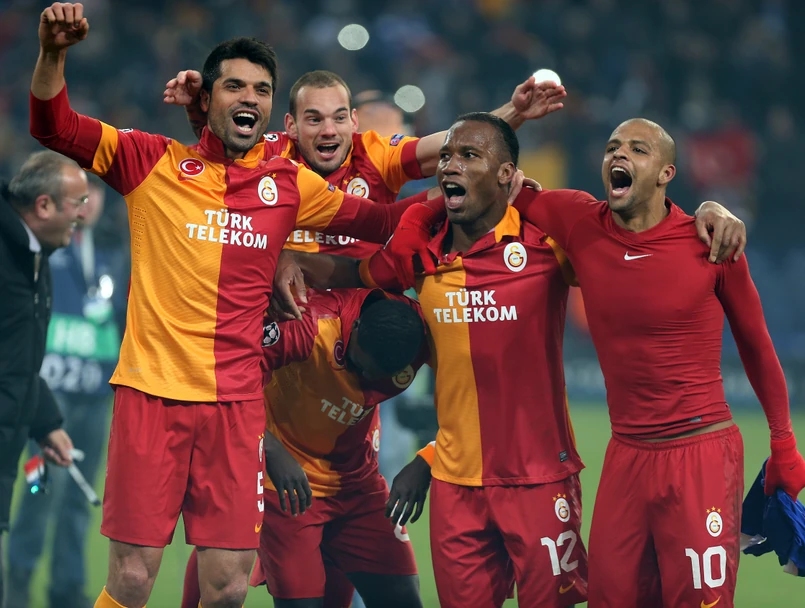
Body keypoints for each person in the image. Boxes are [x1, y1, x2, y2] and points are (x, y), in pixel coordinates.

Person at [30, 5, 437, 608]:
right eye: (235, 86)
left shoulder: (288, 184)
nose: (250, 97)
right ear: (208, 97)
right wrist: (53, 53)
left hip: (237, 409)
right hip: (154, 395)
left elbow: (380, 220)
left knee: (225, 588)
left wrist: (471, 191)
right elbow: (54, 127)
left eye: (262, 90)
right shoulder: (152, 162)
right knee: (134, 580)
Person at [390, 117, 799, 608]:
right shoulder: (578, 220)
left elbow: (756, 346)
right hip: (625, 454)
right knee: (611, 597)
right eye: (612, 147)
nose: (619, 156)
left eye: (638, 149)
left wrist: (784, 445)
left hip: (700, 451)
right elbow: (488, 181)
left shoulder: (710, 243)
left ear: (666, 173)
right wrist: (413, 220)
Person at [296, 112, 589, 608]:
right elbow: (352, 273)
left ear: (506, 174)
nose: (450, 165)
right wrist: (290, 260)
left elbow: (626, 245)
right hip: (455, 489)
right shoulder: (419, 260)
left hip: (541, 479)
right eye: (447, 155)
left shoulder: (545, 246)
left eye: (469, 156)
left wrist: (709, 214)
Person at [181, 289, 429, 608]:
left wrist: (427, 459)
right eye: (357, 365)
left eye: (378, 377)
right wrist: (269, 448)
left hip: (358, 483)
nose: (365, 381)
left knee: (403, 599)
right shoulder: (308, 325)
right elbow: (223, 375)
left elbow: (480, 394)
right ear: (354, 328)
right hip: (287, 486)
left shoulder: (426, 333)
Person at [5, 177, 123, 608]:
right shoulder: (44, 249)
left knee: (78, 498)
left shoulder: (115, 252)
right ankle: (18, 582)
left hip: (94, 401)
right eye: (80, 195)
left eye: (96, 194)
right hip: (47, 403)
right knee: (38, 490)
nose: (88, 204)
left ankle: (67, 590)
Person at [0, 150, 80, 607]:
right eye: (77, 202)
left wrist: (45, 420)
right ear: (44, 205)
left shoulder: (34, 255)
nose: (84, 212)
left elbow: (15, 360)